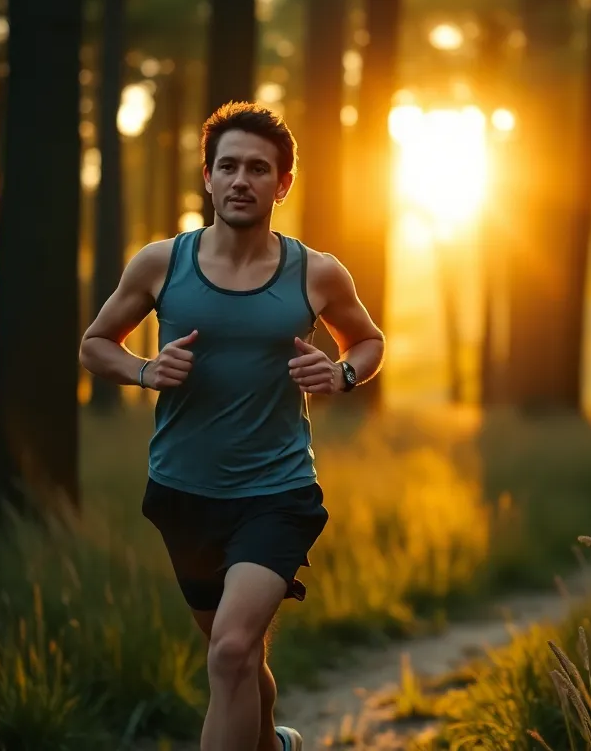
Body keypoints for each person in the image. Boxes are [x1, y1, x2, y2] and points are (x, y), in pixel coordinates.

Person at [79, 101, 385, 751]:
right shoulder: (162, 264)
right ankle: (276, 744)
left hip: (275, 494)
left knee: (231, 651)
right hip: (183, 493)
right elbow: (95, 344)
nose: (241, 179)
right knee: (240, 665)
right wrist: (143, 372)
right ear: (208, 177)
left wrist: (345, 376)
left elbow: (367, 342)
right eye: (228, 166)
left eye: (257, 167)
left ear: (283, 183)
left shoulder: (317, 272)